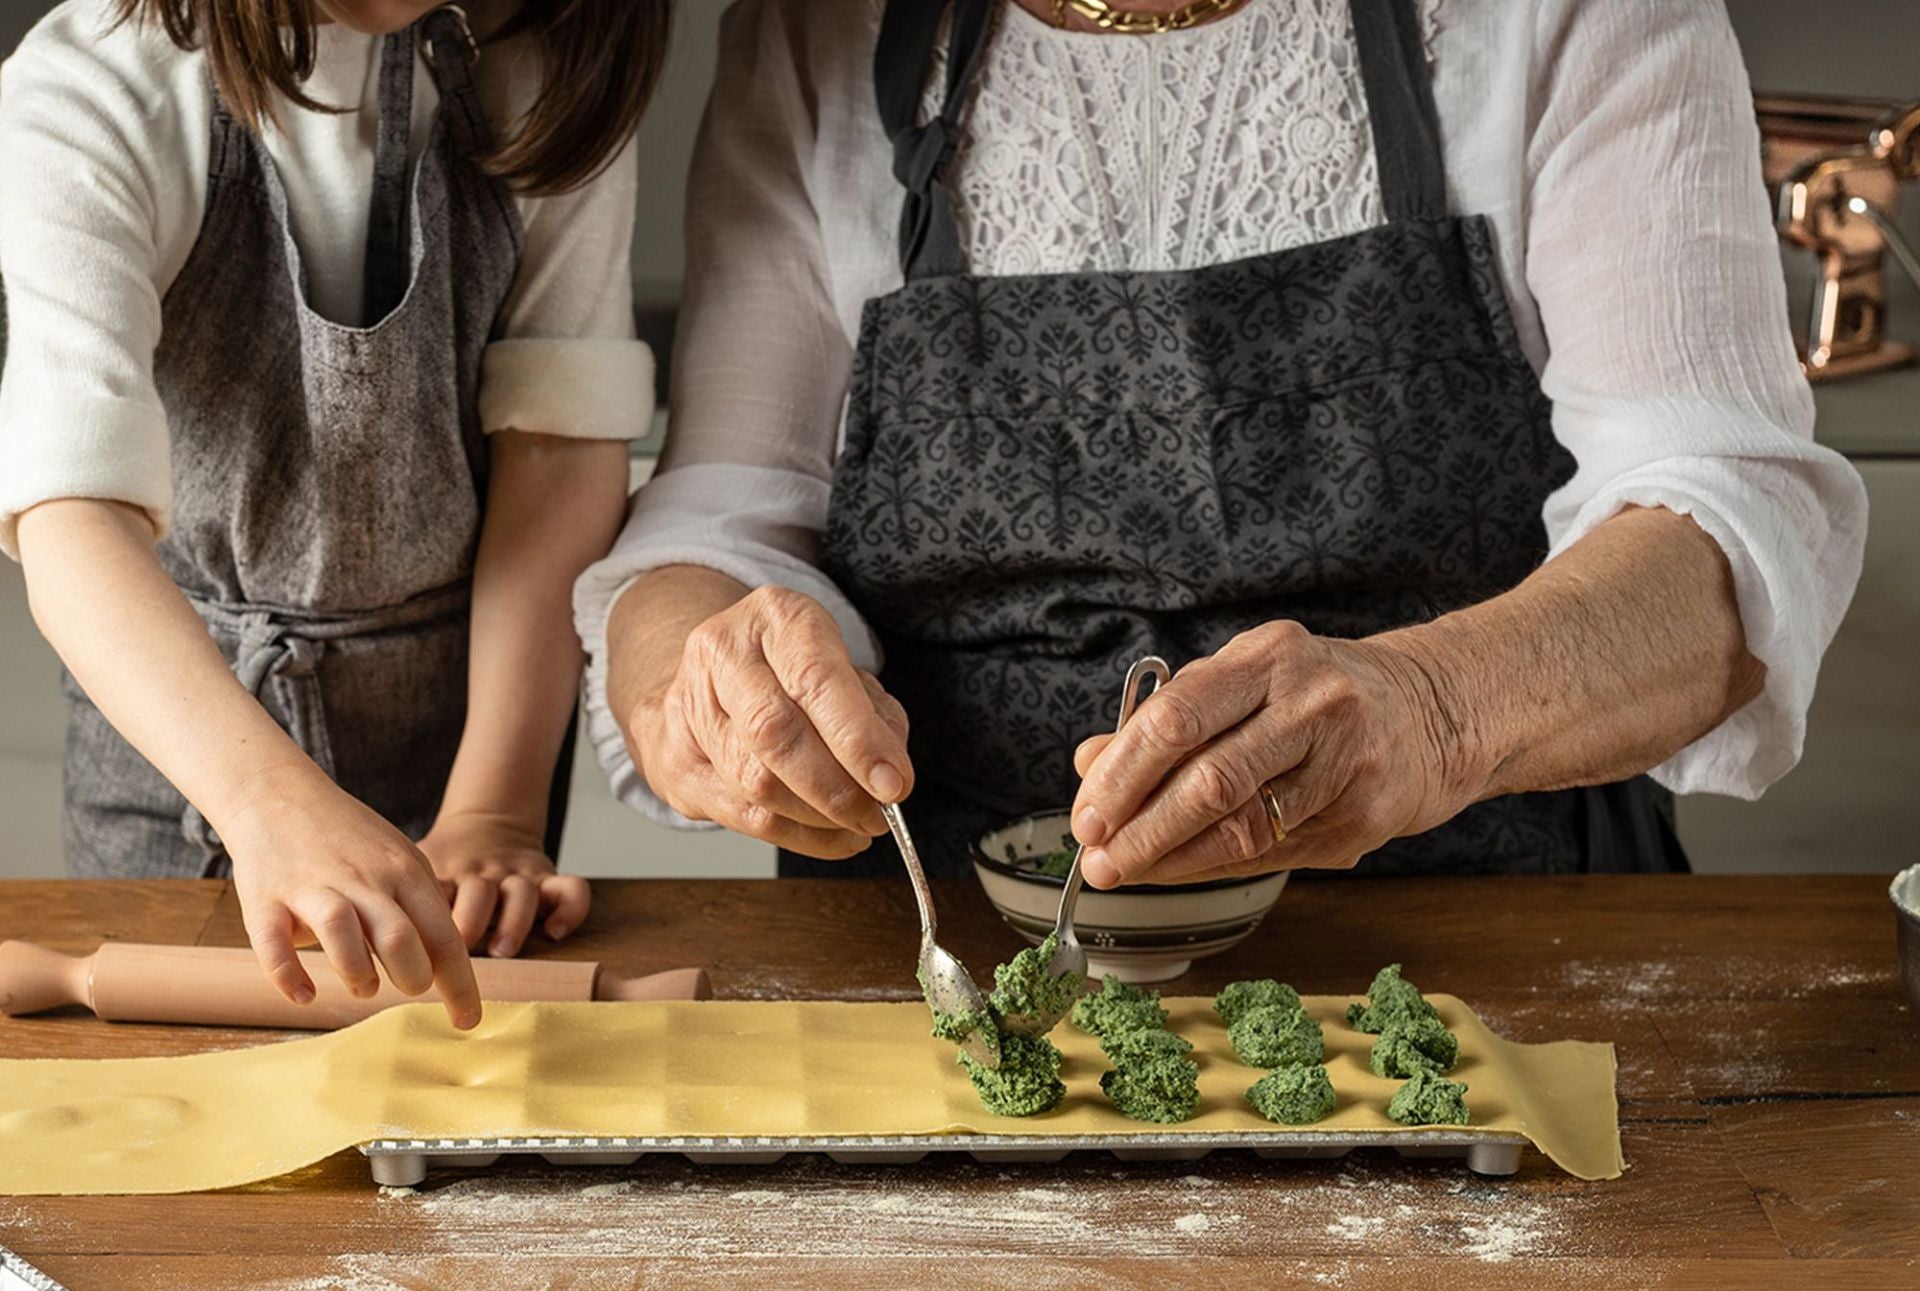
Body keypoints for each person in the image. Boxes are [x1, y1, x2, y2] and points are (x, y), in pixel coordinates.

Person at [581, 0, 1866, 891]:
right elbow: (724, 518)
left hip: (1481, 929)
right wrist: (698, 686)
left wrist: (1433, 710)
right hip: (946, 951)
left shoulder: (1565, 19)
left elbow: (1722, 516)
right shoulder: (820, 33)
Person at [0, 0, 668, 1024]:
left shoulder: (545, 72)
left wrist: (494, 809)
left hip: (465, 746)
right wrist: (263, 799)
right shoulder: (94, 88)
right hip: (178, 760)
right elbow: (74, 521)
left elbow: (558, 450)